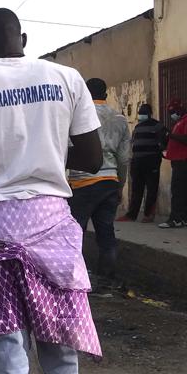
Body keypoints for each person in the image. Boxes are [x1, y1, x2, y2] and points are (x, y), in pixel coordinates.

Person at [0, 8, 103, 374]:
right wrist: (45, 155)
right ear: (24, 40)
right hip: (53, 227)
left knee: (8, 356)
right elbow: (93, 158)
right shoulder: (66, 78)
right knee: (62, 360)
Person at [67, 78, 131, 284]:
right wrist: (120, 185)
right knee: (106, 231)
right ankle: (108, 278)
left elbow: (67, 150)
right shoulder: (119, 120)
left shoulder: (77, 115)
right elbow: (123, 158)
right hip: (110, 180)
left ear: (85, 92)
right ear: (105, 94)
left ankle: (76, 279)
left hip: (83, 182)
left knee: (76, 233)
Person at [117, 103, 167, 223]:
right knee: (136, 188)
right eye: (140, 112)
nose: (141, 114)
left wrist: (158, 150)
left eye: (143, 112)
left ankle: (148, 214)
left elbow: (164, 141)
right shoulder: (137, 127)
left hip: (151, 161)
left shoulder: (158, 126)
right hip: (137, 161)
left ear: (150, 114)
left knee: (151, 188)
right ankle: (132, 215)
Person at [158, 99, 187, 229]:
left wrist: (170, 135)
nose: (172, 115)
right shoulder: (180, 122)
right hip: (178, 159)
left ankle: (175, 219)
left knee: (177, 189)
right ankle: (185, 217)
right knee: (183, 190)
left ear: (180, 109)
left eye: (173, 112)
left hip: (185, 160)